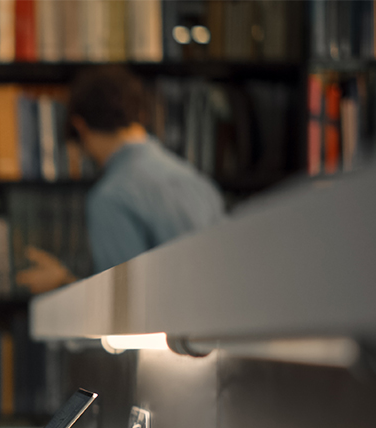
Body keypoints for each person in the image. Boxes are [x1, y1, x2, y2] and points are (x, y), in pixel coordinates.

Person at [15, 66, 225, 294]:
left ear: (80, 127)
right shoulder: (197, 182)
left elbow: (126, 307)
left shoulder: (110, 197)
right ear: (140, 114)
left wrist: (63, 282)